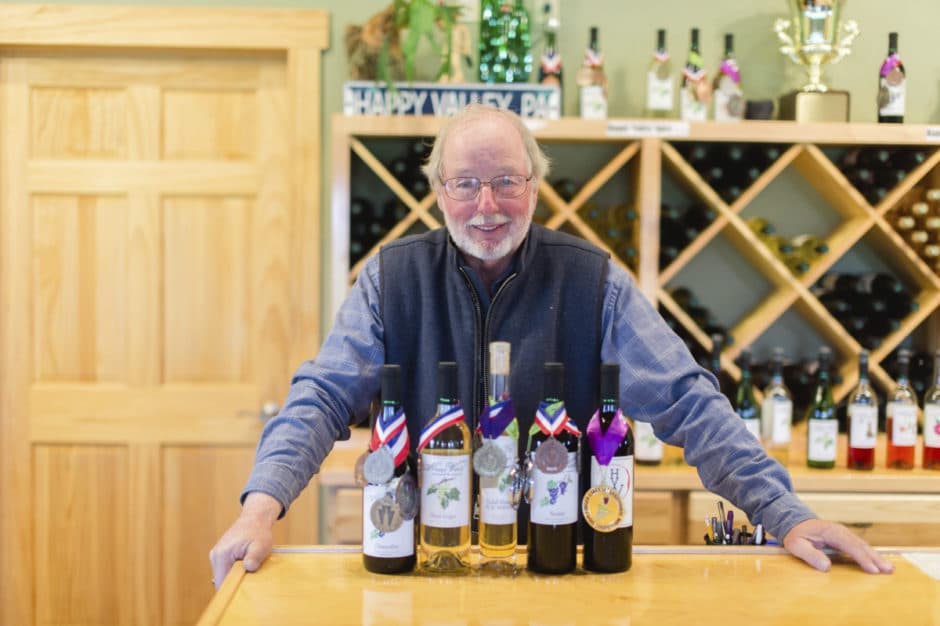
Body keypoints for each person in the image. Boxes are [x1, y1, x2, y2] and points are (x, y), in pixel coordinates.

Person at [209, 103, 893, 588]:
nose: (487, 205)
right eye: (466, 184)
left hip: (555, 565)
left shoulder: (594, 281)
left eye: (507, 181)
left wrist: (786, 514)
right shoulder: (391, 279)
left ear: (535, 187)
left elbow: (689, 402)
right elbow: (322, 396)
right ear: (439, 192)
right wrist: (258, 510)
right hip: (425, 561)